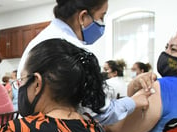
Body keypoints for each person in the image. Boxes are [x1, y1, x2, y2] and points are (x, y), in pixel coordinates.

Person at [18, 0, 151, 125]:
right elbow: (100, 111)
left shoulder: (43, 39)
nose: (102, 23)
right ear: (83, 17)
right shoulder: (71, 51)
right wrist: (134, 101)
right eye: (101, 17)